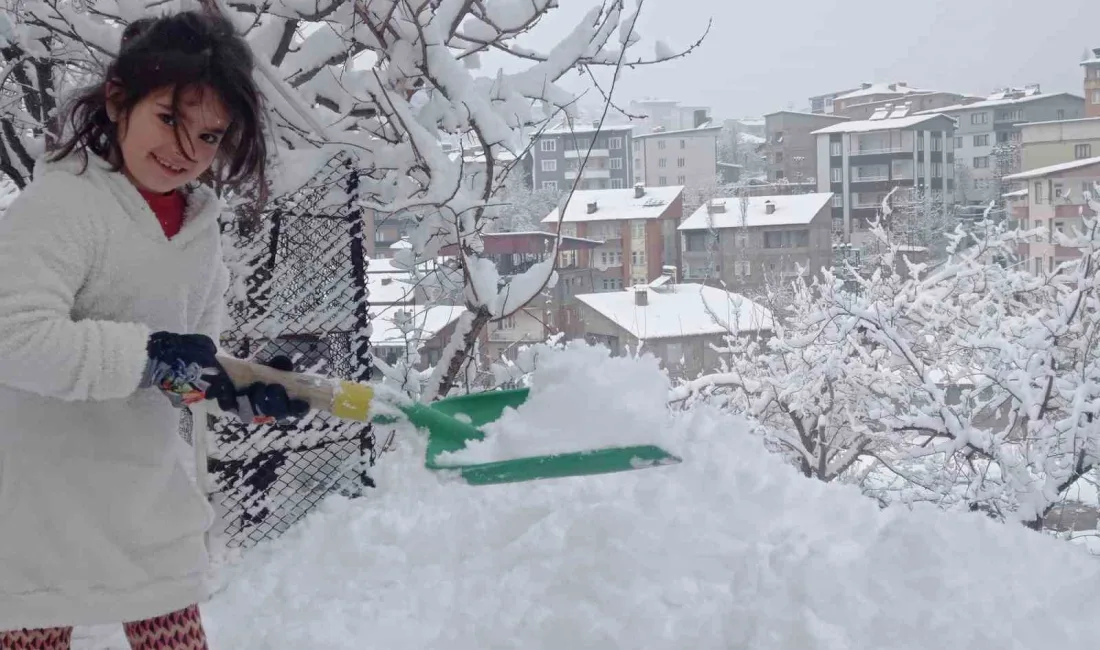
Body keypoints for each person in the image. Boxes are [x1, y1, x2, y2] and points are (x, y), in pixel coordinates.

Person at [0, 10, 307, 650]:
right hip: (42, 502)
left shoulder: (198, 230)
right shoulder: (61, 207)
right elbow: (14, 337)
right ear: (119, 100)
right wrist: (152, 358)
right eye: (169, 119)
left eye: (210, 136)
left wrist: (236, 384)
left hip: (146, 497)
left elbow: (187, 361)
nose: (184, 151)